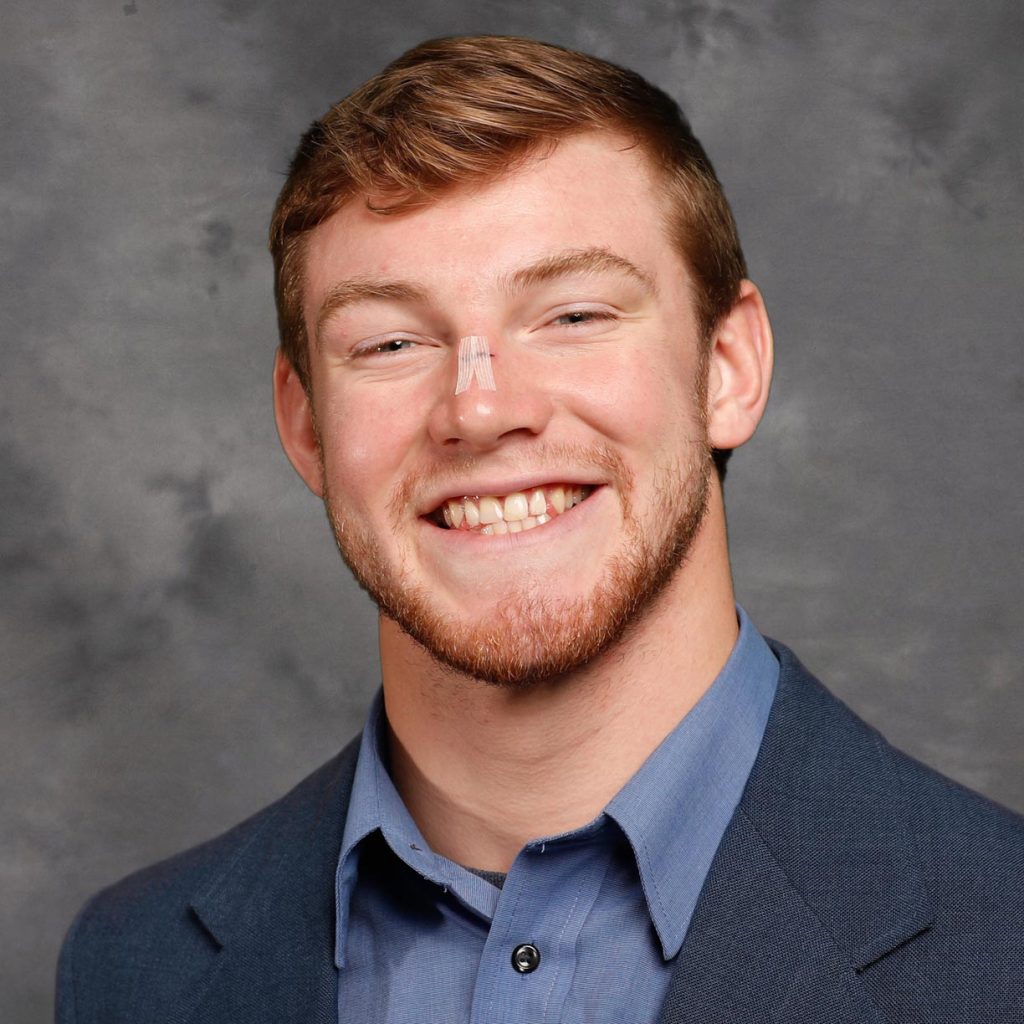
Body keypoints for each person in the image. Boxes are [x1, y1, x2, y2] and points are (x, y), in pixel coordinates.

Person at [56, 35, 1024, 1023]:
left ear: (727, 369)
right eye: (390, 341)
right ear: (305, 425)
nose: (480, 410)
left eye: (572, 316)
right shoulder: (131, 970)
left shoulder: (1005, 941)